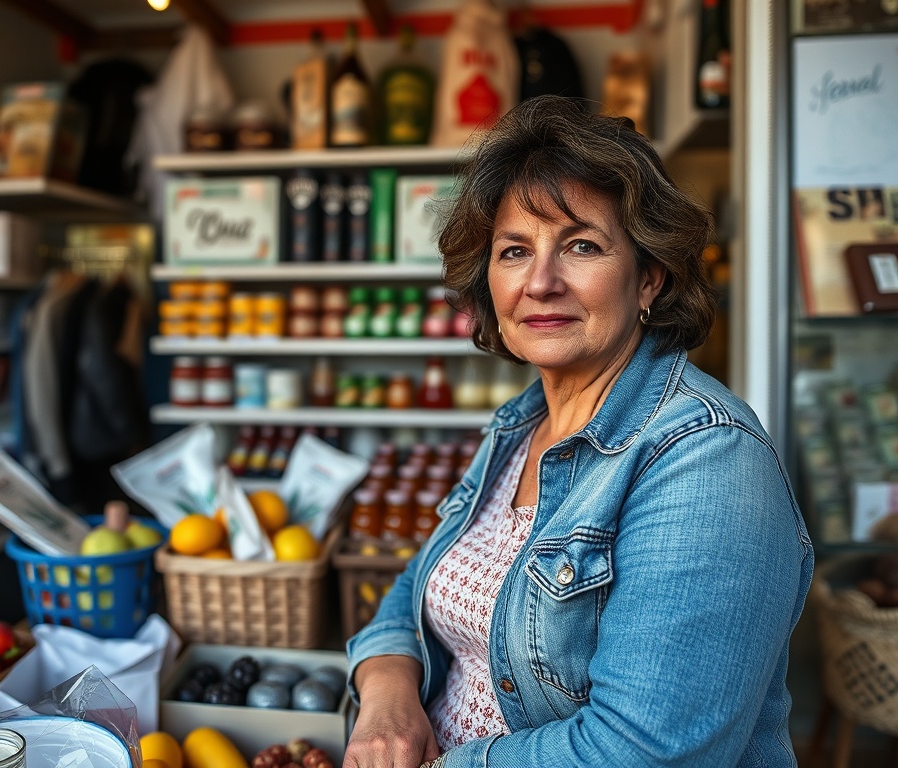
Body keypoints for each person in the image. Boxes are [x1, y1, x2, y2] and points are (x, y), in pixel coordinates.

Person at [343, 95, 814, 768]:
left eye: (582, 246)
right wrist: (389, 694)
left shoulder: (709, 459)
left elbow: (648, 751)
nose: (540, 282)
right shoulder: (520, 427)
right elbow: (412, 588)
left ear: (648, 278)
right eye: (513, 251)